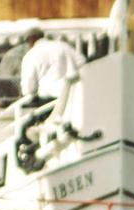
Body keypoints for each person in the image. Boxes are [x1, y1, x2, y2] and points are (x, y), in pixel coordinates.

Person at [14, 26, 85, 168]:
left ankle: (32, 163)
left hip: (49, 102)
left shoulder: (31, 56)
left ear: (30, 41)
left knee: (23, 131)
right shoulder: (63, 46)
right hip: (74, 97)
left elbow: (28, 89)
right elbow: (82, 62)